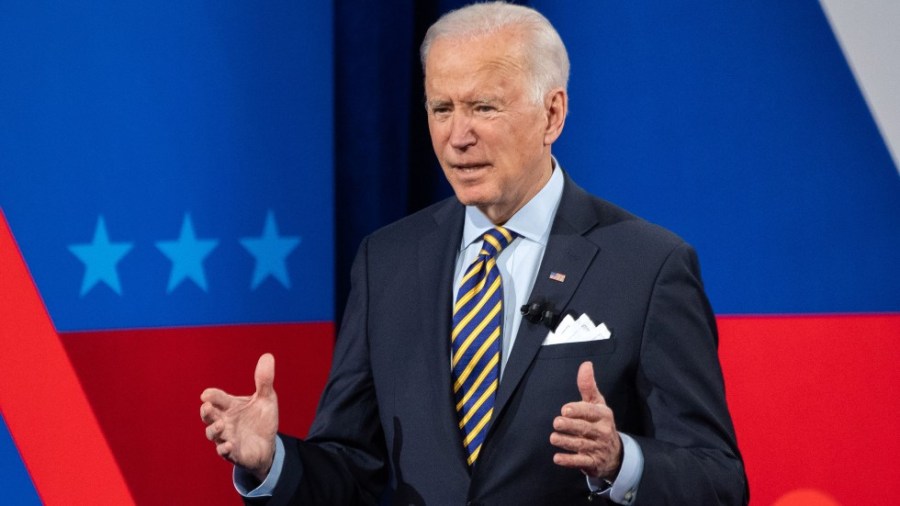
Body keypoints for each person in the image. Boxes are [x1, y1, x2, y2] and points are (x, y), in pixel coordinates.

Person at [200, 2, 748, 504]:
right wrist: (273, 462)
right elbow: (352, 465)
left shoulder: (648, 265)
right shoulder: (386, 260)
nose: (457, 136)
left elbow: (719, 479)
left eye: (483, 107)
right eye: (441, 108)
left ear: (552, 115)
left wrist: (621, 462)